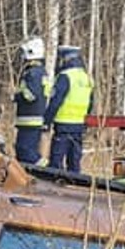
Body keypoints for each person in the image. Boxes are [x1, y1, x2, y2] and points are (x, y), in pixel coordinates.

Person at [43, 44, 94, 174]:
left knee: (56, 162)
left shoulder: (65, 76)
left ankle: (53, 190)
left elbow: (56, 101)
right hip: (79, 126)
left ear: (65, 59)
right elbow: (90, 103)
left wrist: (46, 121)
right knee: (74, 163)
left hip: (63, 125)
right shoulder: (86, 77)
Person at [12, 35, 50, 165]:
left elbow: (31, 95)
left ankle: (45, 170)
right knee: (24, 152)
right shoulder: (40, 71)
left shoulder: (33, 73)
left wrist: (16, 95)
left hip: (30, 120)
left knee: (25, 152)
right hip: (32, 120)